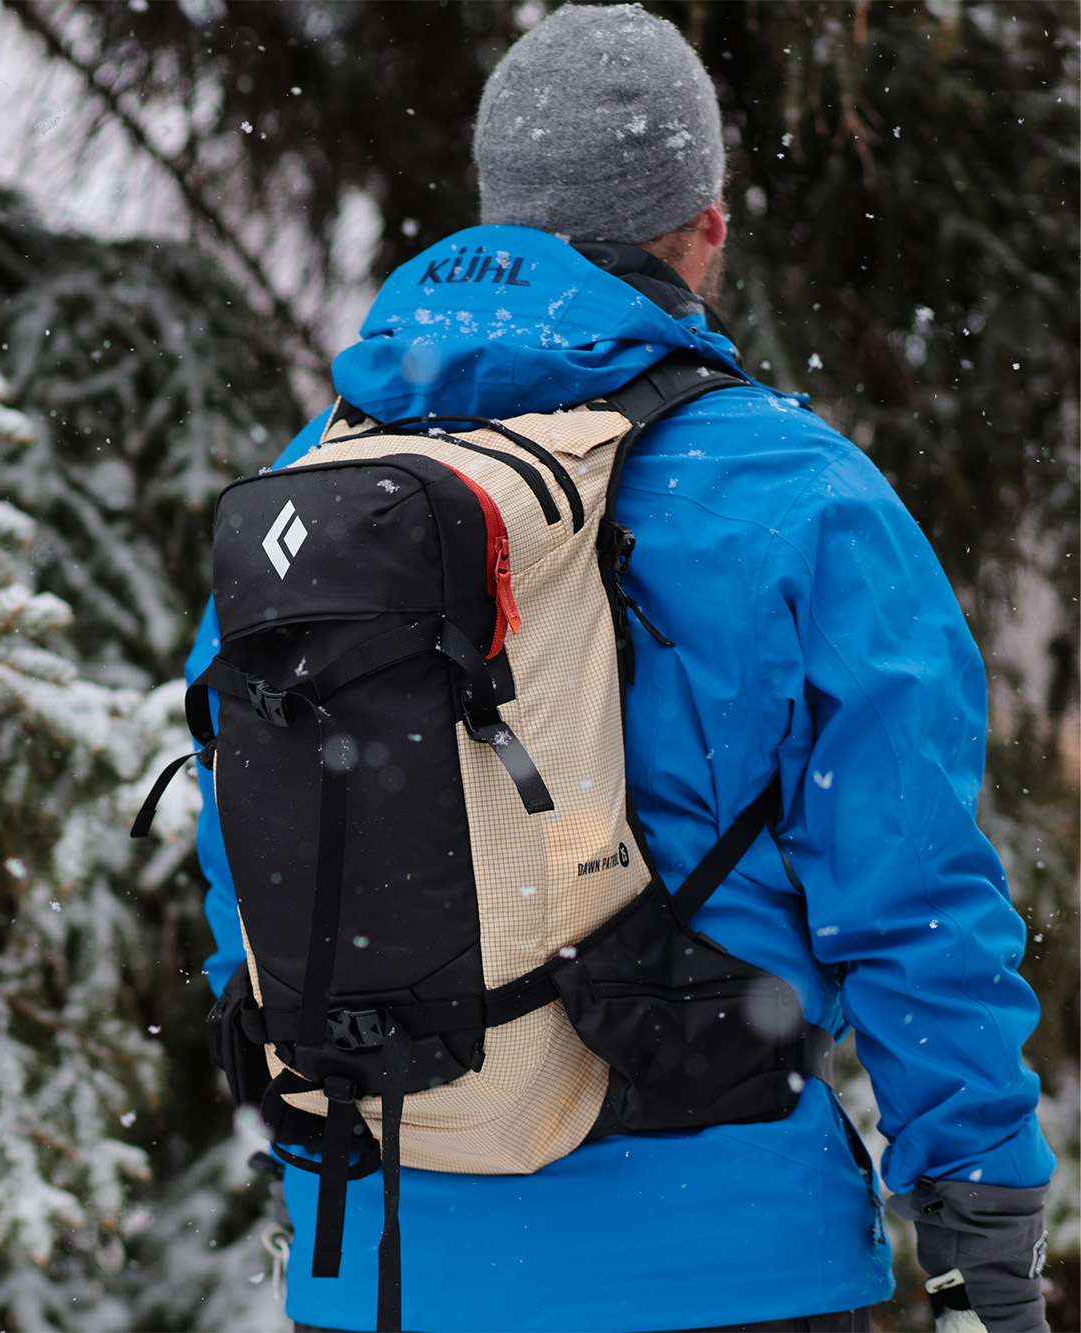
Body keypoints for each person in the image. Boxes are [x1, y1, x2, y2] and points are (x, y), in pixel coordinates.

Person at [184, 6, 1054, 1331]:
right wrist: (984, 1231)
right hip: (725, 1262)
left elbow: (243, 848)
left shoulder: (314, 484)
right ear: (707, 227)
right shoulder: (795, 489)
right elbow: (916, 894)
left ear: (499, 219)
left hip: (390, 1263)